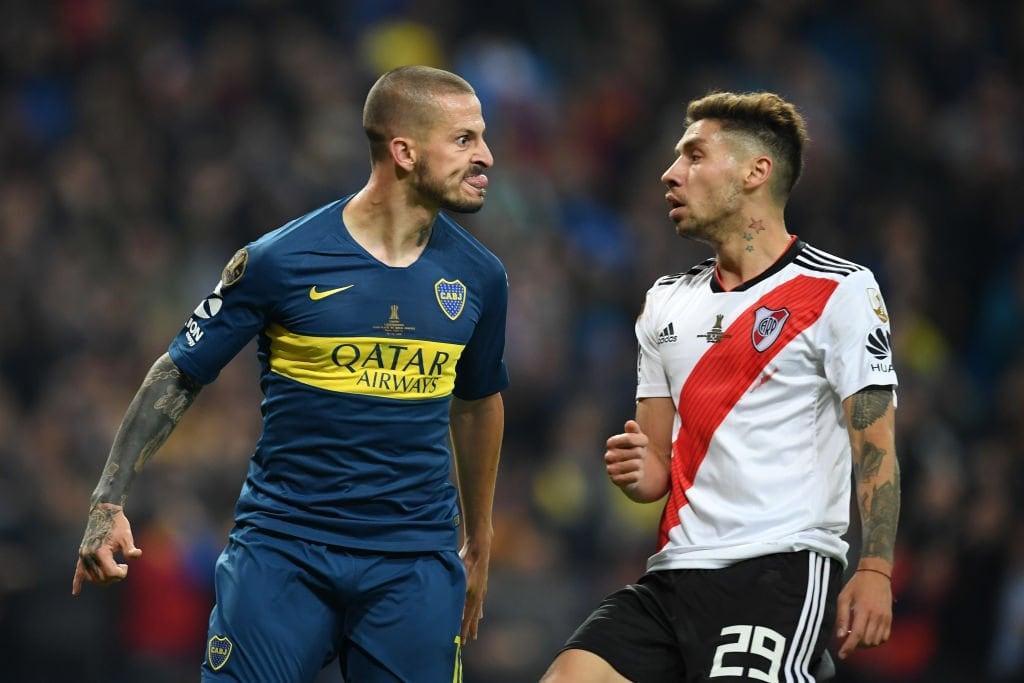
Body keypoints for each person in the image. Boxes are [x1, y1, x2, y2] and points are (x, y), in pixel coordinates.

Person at [72, 65, 508, 683]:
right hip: (283, 553)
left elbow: (478, 401)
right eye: (464, 139)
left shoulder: (480, 278)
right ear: (404, 151)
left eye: (481, 137)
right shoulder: (280, 260)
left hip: (413, 563)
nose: (486, 155)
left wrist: (480, 541)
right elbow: (178, 372)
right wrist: (106, 501)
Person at [541, 91, 900, 682]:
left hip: (777, 571)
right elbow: (656, 468)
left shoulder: (840, 291)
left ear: (756, 172)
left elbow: (875, 443)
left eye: (694, 156)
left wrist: (876, 569)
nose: (670, 173)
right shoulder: (665, 302)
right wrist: (641, 471)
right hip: (672, 575)